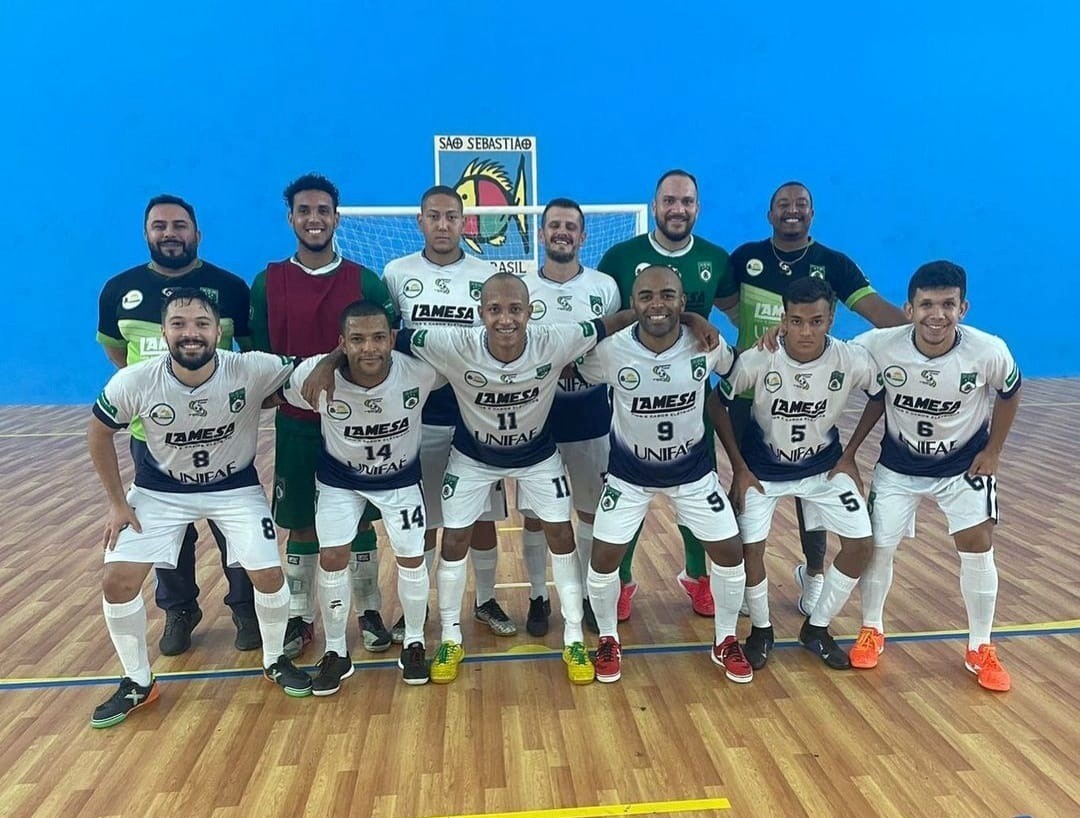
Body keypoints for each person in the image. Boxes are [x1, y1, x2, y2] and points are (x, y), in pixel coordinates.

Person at [87, 289, 312, 728]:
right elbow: (98, 433)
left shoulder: (249, 367)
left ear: (218, 332)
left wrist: (330, 367)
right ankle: (137, 681)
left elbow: (303, 370)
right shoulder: (136, 380)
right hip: (159, 490)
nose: (191, 334)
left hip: (235, 487)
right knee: (117, 580)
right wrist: (116, 503)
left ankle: (273, 661)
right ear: (165, 332)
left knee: (268, 574)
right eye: (179, 325)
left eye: (201, 325)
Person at [839, 261, 1021, 691]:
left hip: (962, 466)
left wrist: (994, 451)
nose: (936, 314)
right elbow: (830, 352)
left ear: (964, 307)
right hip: (899, 467)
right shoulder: (880, 344)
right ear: (908, 308)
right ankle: (871, 628)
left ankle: (980, 645)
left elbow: (1011, 393)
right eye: (926, 304)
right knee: (878, 548)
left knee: (977, 544)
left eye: (947, 304)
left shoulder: (989, 349)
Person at [727, 181, 907, 617]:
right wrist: (764, 340)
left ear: (812, 214)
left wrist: (915, 336)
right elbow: (728, 308)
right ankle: (738, 583)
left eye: (801, 204)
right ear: (769, 214)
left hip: (805, 395)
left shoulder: (834, 264)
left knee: (814, 492)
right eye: (783, 204)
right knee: (744, 488)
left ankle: (814, 574)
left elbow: (877, 312)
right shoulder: (744, 258)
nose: (793, 210)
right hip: (751, 393)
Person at [97, 194, 258, 656]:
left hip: (223, 435)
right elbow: (118, 356)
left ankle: (245, 608)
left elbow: (246, 357)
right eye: (160, 226)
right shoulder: (117, 290)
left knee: (234, 527)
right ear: (146, 233)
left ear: (196, 234)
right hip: (153, 440)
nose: (170, 233)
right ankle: (179, 610)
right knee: (166, 530)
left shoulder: (228, 287)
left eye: (180, 226)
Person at [576, 266, 751, 684]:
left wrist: (699, 323)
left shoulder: (706, 344)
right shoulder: (610, 351)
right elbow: (576, 370)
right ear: (633, 303)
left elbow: (734, 373)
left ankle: (725, 639)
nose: (657, 304)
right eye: (647, 296)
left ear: (682, 301)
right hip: (628, 474)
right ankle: (606, 638)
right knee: (603, 559)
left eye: (668, 295)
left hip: (692, 473)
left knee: (730, 552)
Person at [249, 173, 399, 660]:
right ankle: (300, 614)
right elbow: (258, 356)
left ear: (337, 217)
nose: (314, 219)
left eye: (323, 211)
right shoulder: (268, 281)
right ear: (291, 217)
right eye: (304, 211)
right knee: (301, 523)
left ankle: (370, 611)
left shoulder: (366, 280)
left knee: (358, 522)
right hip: (297, 423)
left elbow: (387, 347)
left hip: (358, 425)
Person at [708, 277, 879, 670]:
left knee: (861, 545)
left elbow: (881, 395)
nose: (806, 330)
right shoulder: (758, 358)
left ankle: (816, 628)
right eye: (797, 321)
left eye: (816, 321)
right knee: (751, 550)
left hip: (823, 467)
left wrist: (850, 454)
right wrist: (739, 468)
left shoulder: (850, 359)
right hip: (763, 472)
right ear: (783, 320)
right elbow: (718, 406)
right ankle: (762, 630)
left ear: (831, 319)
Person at [597, 169, 739, 621]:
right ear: (654, 204)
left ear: (697, 207)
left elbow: (737, 314)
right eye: (669, 200)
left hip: (690, 390)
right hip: (633, 382)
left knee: (694, 492)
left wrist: (701, 324)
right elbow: (609, 318)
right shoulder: (621, 255)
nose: (678, 209)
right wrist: (682, 319)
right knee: (630, 495)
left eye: (687, 201)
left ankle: (697, 579)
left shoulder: (715, 258)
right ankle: (621, 582)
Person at [281, 300, 445, 689]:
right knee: (333, 556)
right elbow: (273, 396)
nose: (368, 348)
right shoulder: (313, 376)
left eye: (377, 338)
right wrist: (326, 363)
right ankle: (336, 650)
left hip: (400, 480)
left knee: (410, 557)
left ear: (392, 338)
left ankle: (416, 642)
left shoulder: (421, 373)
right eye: (356, 339)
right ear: (342, 343)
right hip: (340, 481)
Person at [382, 186, 513, 639]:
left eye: (451, 217)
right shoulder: (397, 273)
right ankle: (414, 612)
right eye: (433, 216)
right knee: (426, 519)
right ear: (420, 221)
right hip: (418, 415)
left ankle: (486, 599)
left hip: (476, 414)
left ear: (464, 223)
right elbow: (386, 342)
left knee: (480, 516)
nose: (442, 224)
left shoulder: (486, 274)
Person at [518, 198, 620, 636]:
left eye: (571, 226)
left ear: (583, 236)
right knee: (536, 516)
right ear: (541, 234)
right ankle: (538, 596)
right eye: (554, 225)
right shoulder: (522, 287)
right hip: (536, 415)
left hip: (591, 413)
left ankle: (581, 596)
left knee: (590, 512)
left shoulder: (604, 288)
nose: (562, 232)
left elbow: (615, 345)